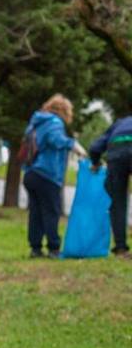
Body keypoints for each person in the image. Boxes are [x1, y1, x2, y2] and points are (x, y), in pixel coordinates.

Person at [22, 94, 79, 259]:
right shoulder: (54, 122)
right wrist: (73, 145)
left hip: (31, 173)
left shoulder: (35, 123)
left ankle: (35, 248)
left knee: (36, 213)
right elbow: (56, 140)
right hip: (47, 173)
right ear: (64, 110)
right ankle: (54, 249)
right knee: (51, 212)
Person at [87, 106, 132, 257]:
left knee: (117, 203)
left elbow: (94, 147)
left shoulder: (119, 124)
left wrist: (95, 163)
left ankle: (120, 249)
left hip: (116, 157)